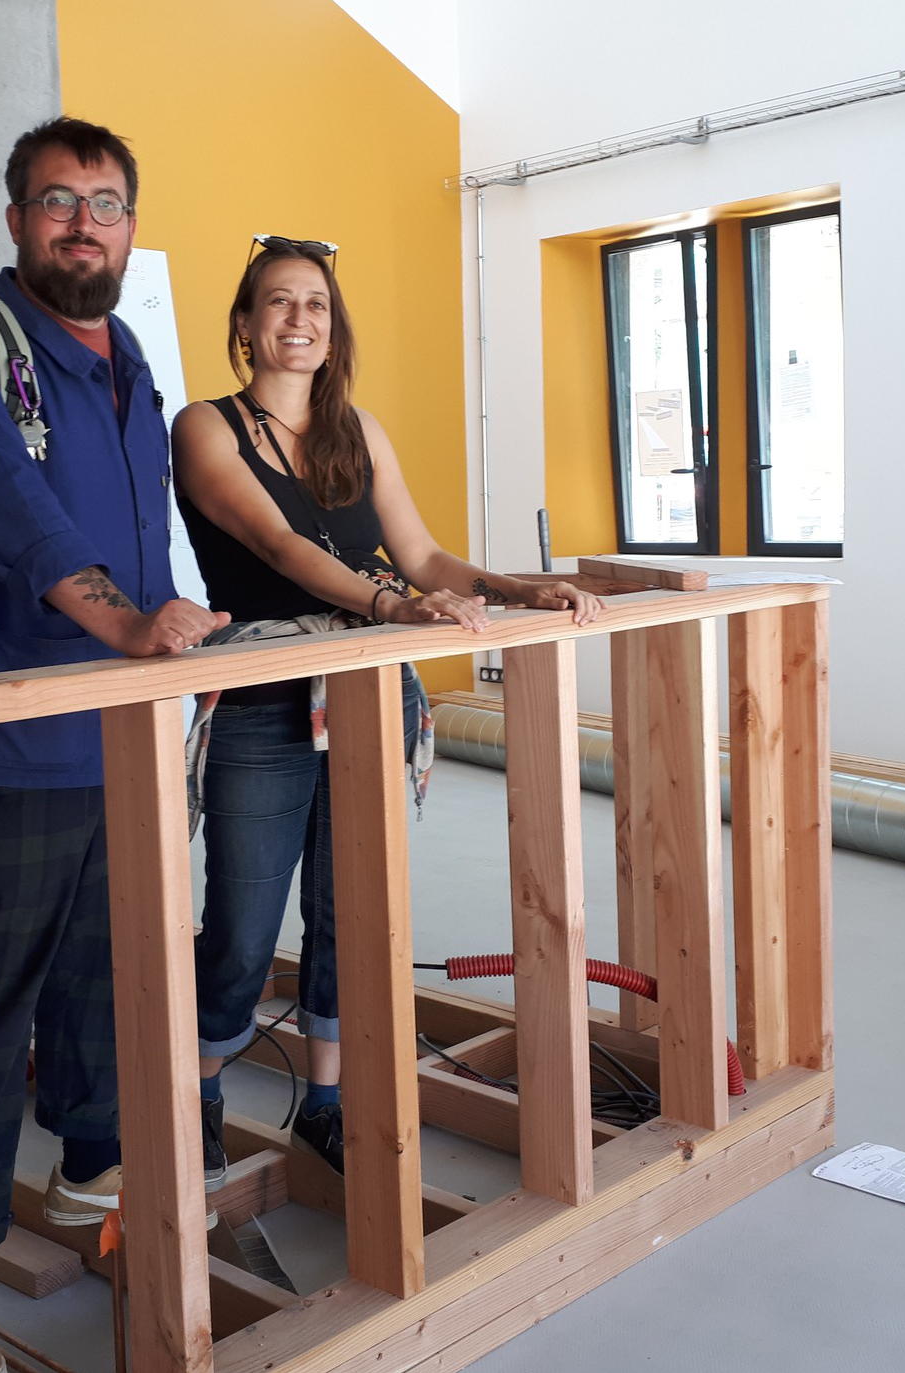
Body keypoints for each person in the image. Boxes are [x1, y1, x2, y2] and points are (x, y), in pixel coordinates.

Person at [169, 236, 602, 1190]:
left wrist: (509, 586)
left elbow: (423, 555)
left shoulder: (358, 432)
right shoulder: (205, 427)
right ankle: (195, 1099)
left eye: (316, 305)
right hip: (263, 700)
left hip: (372, 695)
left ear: (334, 327)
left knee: (350, 908)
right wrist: (392, 607)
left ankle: (326, 1102)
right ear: (244, 325)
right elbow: (277, 545)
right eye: (277, 303)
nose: (298, 320)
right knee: (242, 917)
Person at [0, 117, 224, 1373]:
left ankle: (98, 1175)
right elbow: (9, 517)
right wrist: (128, 627)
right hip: (10, 738)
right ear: (15, 221)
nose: (82, 223)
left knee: (109, 973)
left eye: (104, 203)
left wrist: (174, 648)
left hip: (128, 734)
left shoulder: (126, 354)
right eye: (55, 202)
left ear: (131, 227)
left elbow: (146, 528)